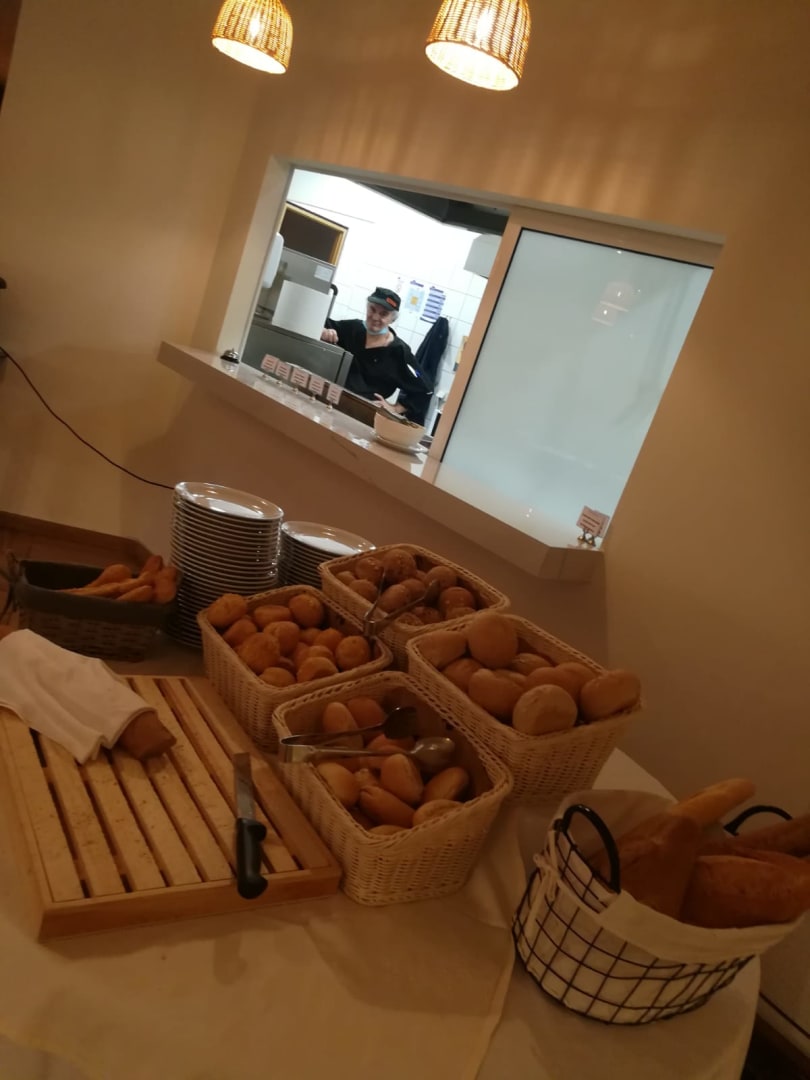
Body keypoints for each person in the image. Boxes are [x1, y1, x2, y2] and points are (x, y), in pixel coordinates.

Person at [320, 287, 433, 424]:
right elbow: (319, 323)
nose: (375, 317)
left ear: (392, 319)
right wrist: (324, 331)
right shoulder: (352, 329)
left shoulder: (399, 352)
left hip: (365, 417)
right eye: (372, 309)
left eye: (383, 314)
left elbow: (425, 390)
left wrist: (395, 409)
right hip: (331, 404)